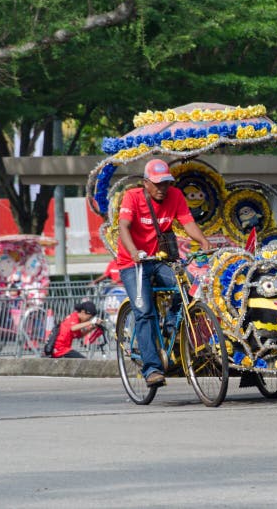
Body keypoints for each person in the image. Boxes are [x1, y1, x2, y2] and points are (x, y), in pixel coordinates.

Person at [118, 159, 211, 387]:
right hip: (134, 263)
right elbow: (124, 226)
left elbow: (187, 222)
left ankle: (171, 324)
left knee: (188, 285)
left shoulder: (176, 196)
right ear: (146, 183)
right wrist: (133, 252)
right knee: (145, 312)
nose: (162, 189)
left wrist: (204, 242)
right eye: (157, 184)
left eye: (166, 183)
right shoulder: (133, 197)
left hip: (161, 259)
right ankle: (152, 369)